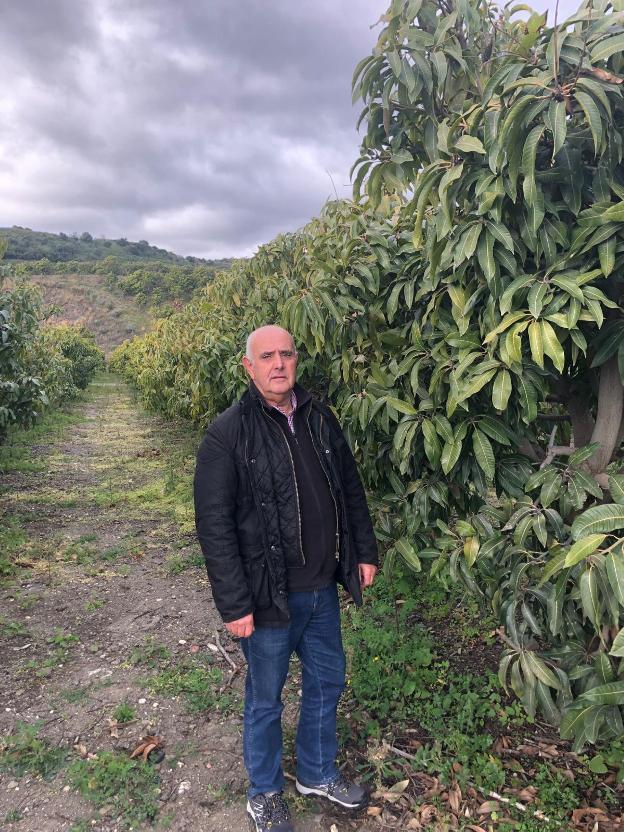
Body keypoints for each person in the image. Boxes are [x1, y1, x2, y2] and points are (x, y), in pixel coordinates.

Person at [194, 325, 378, 832]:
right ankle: (266, 792)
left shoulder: (319, 418)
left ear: (296, 361)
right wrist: (235, 604)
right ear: (248, 367)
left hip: (320, 588)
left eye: (287, 354)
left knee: (327, 682)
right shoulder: (227, 434)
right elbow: (214, 526)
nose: (279, 364)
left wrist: (363, 549)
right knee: (265, 698)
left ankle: (316, 773)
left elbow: (350, 487)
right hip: (268, 595)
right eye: (267, 356)